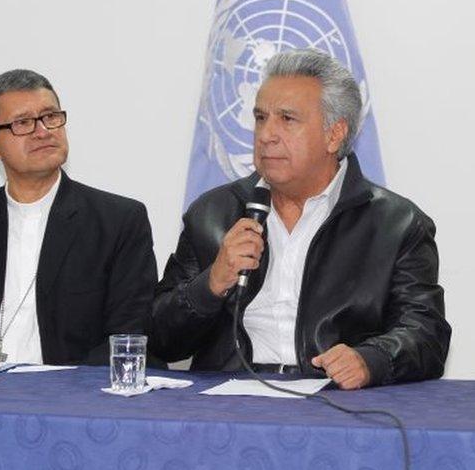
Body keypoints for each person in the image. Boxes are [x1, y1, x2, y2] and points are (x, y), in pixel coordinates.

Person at [150, 49, 450, 389]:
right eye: (261, 118)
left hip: (334, 399)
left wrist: (372, 360)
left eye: (287, 119)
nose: (266, 135)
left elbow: (427, 334)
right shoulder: (213, 213)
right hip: (229, 398)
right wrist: (210, 284)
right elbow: (159, 339)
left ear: (334, 135)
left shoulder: (396, 224)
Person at [0, 69, 157, 365]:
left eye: (51, 117)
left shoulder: (118, 221)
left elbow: (130, 334)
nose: (43, 131)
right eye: (23, 123)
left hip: (72, 397)